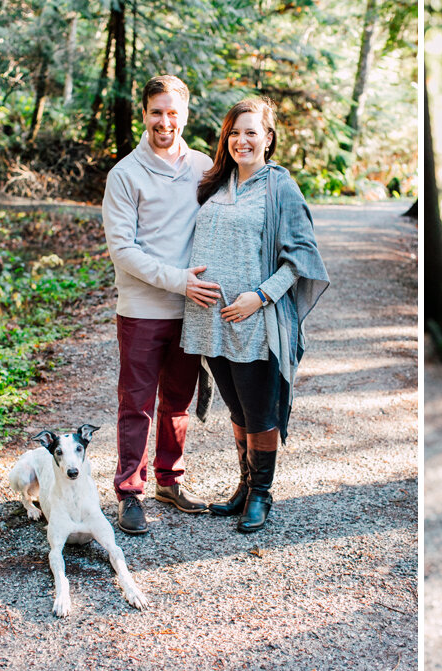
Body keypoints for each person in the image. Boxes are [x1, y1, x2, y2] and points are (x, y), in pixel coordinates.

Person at [181, 98, 328, 534]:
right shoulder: (216, 182)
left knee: (260, 410)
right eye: (234, 132)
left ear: (268, 138)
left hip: (253, 322)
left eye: (251, 132)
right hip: (210, 320)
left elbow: (303, 258)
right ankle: (245, 486)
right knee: (239, 410)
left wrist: (259, 297)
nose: (241, 140)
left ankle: (263, 493)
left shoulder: (280, 188)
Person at [102, 74, 221, 535]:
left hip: (191, 309)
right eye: (157, 112)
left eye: (173, 112)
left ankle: (169, 481)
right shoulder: (125, 175)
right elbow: (123, 251)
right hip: (141, 310)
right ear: (144, 114)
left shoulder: (203, 167)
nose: (165, 121)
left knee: (177, 401)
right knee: (136, 405)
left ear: (185, 115)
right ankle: (130, 491)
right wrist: (179, 282)